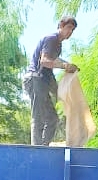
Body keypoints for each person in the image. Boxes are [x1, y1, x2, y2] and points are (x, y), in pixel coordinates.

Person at [24, 16, 79, 145]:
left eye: (72, 30)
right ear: (61, 26)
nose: (70, 32)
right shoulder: (52, 39)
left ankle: (44, 146)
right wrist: (65, 66)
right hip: (35, 78)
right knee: (38, 117)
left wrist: (68, 67)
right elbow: (45, 61)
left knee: (52, 118)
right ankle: (36, 149)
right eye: (68, 28)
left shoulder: (58, 45)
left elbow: (52, 65)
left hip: (44, 80)